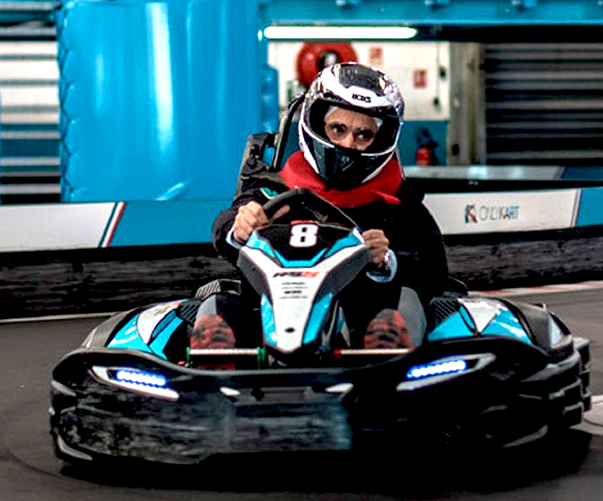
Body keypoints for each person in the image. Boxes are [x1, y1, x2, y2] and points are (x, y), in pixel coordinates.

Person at [192, 62, 449, 351]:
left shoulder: (399, 206)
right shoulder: (274, 190)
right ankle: (217, 365)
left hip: (358, 326)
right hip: (266, 322)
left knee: (405, 301)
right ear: (316, 125)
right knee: (217, 302)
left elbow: (432, 270)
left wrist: (385, 261)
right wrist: (241, 228)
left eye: (364, 135)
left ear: (383, 140)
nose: (349, 144)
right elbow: (225, 225)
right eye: (337, 129)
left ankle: (386, 363)